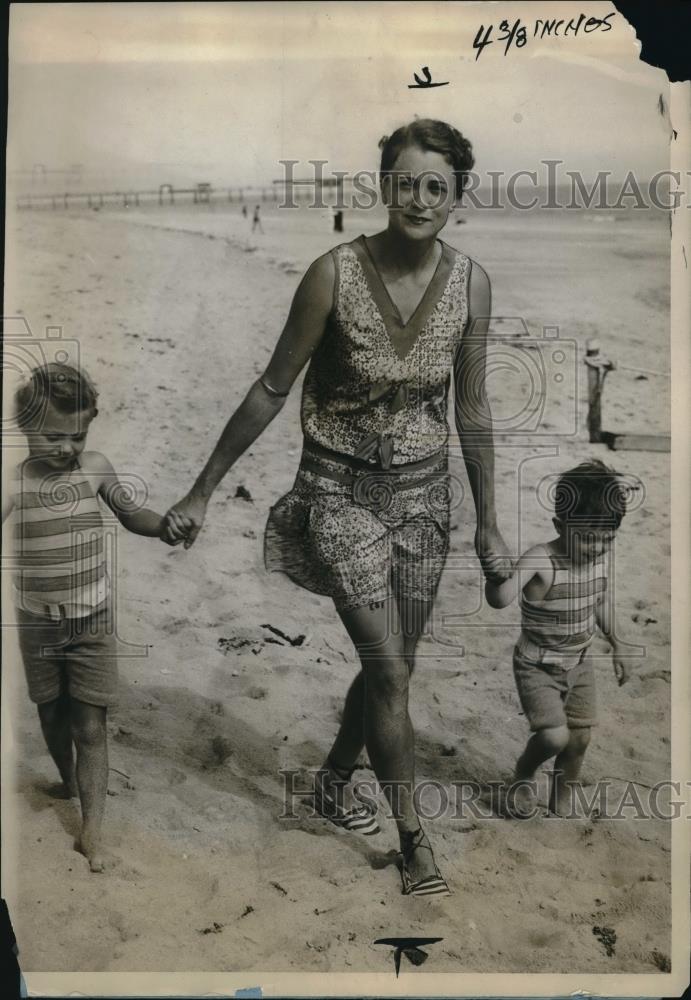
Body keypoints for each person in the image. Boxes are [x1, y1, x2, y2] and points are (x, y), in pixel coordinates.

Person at [164, 119, 512, 897]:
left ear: (457, 198)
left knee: (396, 666)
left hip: (425, 500)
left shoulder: (471, 285)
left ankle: (330, 779)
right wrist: (203, 487)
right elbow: (270, 388)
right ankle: (414, 841)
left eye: (436, 186)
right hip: (337, 493)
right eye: (405, 181)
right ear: (383, 185)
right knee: (389, 670)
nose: (418, 198)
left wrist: (488, 520)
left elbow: (474, 411)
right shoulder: (331, 274)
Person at [3, 363, 179, 871]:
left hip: (92, 621)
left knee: (90, 725)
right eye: (53, 436)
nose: (66, 448)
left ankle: (92, 828)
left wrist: (163, 525)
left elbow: (131, 513)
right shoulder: (16, 484)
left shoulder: (95, 468)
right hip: (37, 622)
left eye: (77, 435)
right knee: (51, 713)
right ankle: (64, 778)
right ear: (25, 429)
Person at [485, 460, 632, 818]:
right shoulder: (542, 560)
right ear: (560, 525)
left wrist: (618, 643)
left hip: (580, 665)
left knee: (579, 739)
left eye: (607, 539)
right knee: (554, 737)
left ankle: (561, 800)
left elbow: (600, 602)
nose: (597, 549)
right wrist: (493, 575)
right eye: (587, 539)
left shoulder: (597, 562)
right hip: (538, 666)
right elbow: (501, 599)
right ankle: (523, 772)